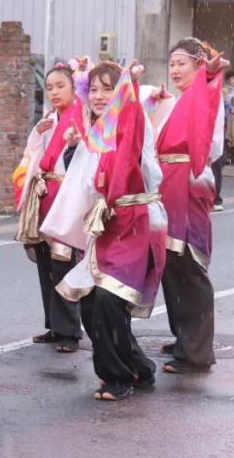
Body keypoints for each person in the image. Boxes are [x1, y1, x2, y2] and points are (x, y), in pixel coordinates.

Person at [52, 61, 166, 401]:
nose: (100, 96)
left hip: (135, 221)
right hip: (104, 226)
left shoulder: (131, 121)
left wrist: (131, 84)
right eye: (95, 90)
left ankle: (117, 377)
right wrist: (74, 148)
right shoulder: (96, 129)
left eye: (108, 89)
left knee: (107, 299)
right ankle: (137, 366)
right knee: (91, 301)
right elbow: (85, 181)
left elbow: (130, 145)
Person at [154, 38, 226, 373]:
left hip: (190, 182)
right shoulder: (179, 102)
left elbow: (208, 142)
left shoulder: (206, 96)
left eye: (181, 63)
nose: (175, 70)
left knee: (190, 265)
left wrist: (208, 79)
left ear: (198, 63)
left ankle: (196, 350)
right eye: (171, 64)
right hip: (170, 183)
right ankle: (183, 335)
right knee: (171, 263)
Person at [14, 65, 87, 353]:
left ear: (73, 88)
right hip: (45, 193)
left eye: (61, 86)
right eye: (51, 87)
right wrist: (36, 134)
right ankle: (54, 325)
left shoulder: (81, 116)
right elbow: (33, 155)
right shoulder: (49, 119)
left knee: (63, 261)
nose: (55, 92)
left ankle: (70, 330)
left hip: (66, 194)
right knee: (46, 261)